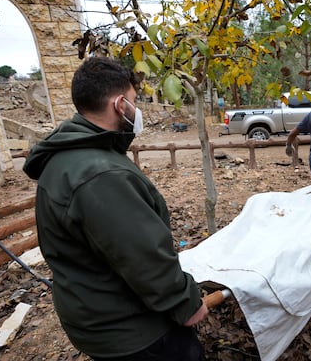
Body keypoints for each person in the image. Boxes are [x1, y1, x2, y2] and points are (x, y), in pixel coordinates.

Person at [23, 57, 208, 360]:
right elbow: (141, 255)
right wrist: (185, 302)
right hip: (133, 332)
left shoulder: (67, 158)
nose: (137, 111)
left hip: (94, 317)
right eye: (135, 102)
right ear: (120, 104)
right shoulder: (101, 174)